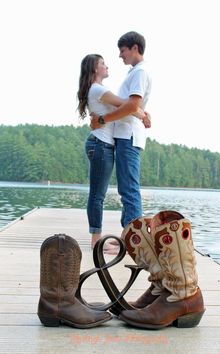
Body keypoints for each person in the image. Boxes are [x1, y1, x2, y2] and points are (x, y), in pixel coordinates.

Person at [77, 54, 148, 251]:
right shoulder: (99, 89)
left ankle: (98, 238)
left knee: (98, 194)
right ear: (94, 69)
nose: (106, 66)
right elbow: (126, 106)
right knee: (97, 195)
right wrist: (144, 115)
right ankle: (95, 240)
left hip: (103, 145)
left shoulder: (96, 89)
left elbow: (126, 106)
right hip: (100, 145)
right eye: (102, 64)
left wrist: (140, 112)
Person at [90, 31, 152, 231]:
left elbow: (132, 105)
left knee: (129, 190)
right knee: (126, 190)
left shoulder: (140, 72)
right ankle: (129, 236)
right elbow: (135, 106)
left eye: (122, 50)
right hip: (125, 135)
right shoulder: (134, 72)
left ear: (135, 48)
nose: (120, 55)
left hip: (128, 136)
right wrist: (144, 114)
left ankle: (133, 239)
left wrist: (103, 119)